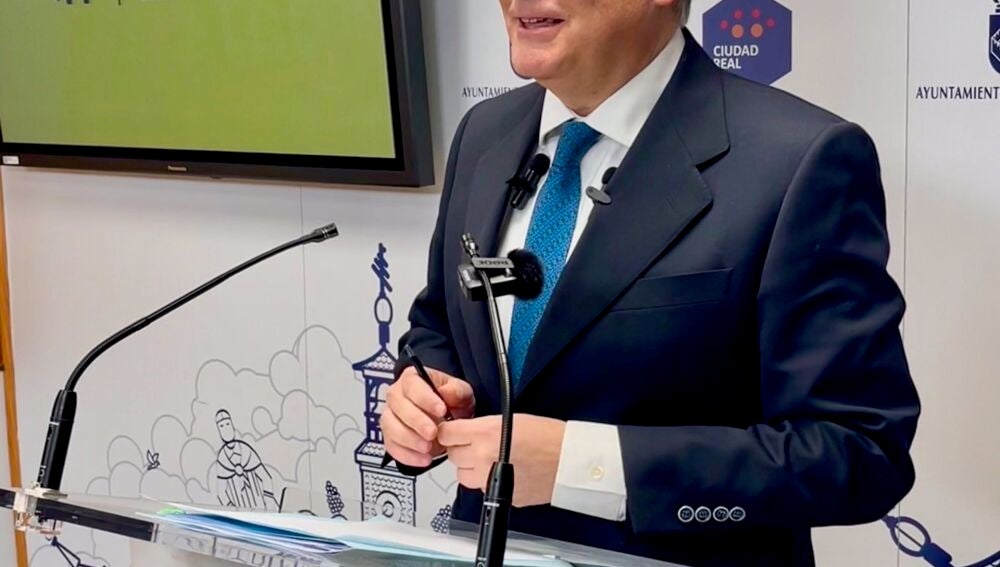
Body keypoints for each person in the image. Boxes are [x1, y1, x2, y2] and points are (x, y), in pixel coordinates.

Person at [382, 1, 920, 565]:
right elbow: (439, 323)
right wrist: (424, 395)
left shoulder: (799, 158)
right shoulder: (483, 131)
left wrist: (581, 466)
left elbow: (858, 454)